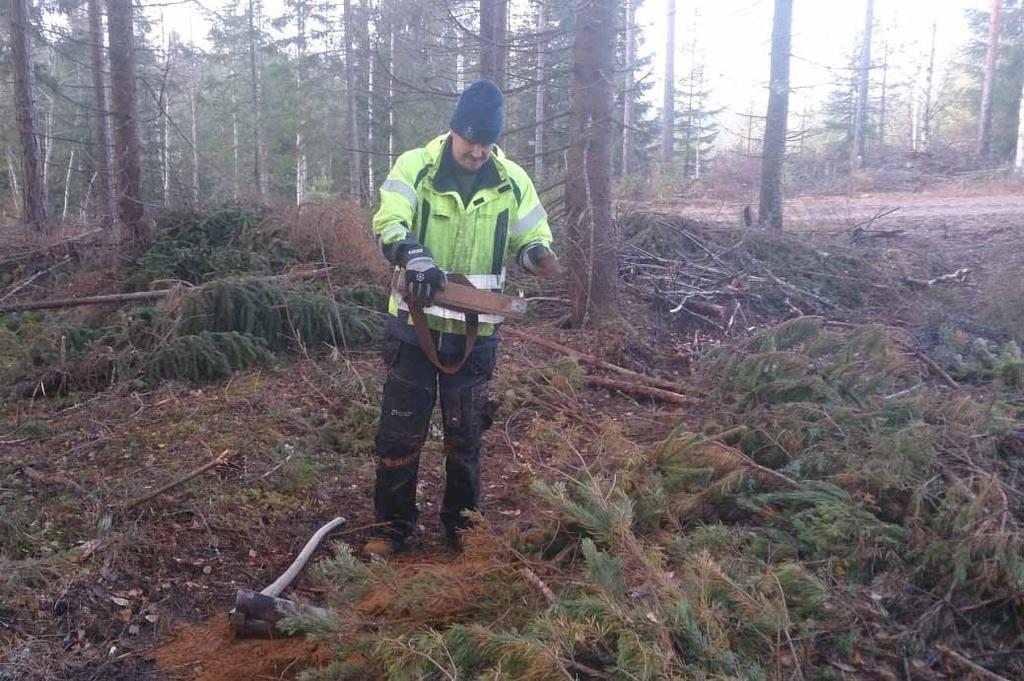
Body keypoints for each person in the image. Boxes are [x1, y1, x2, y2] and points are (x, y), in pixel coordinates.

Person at [364, 79, 558, 558]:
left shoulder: (512, 180)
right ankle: (391, 529)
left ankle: (462, 529)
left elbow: (532, 233)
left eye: (486, 142)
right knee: (400, 430)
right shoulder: (415, 167)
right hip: (414, 328)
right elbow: (390, 221)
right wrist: (412, 254)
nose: (477, 151)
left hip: (478, 334)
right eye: (471, 140)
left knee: (466, 436)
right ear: (454, 130)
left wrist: (535, 253)